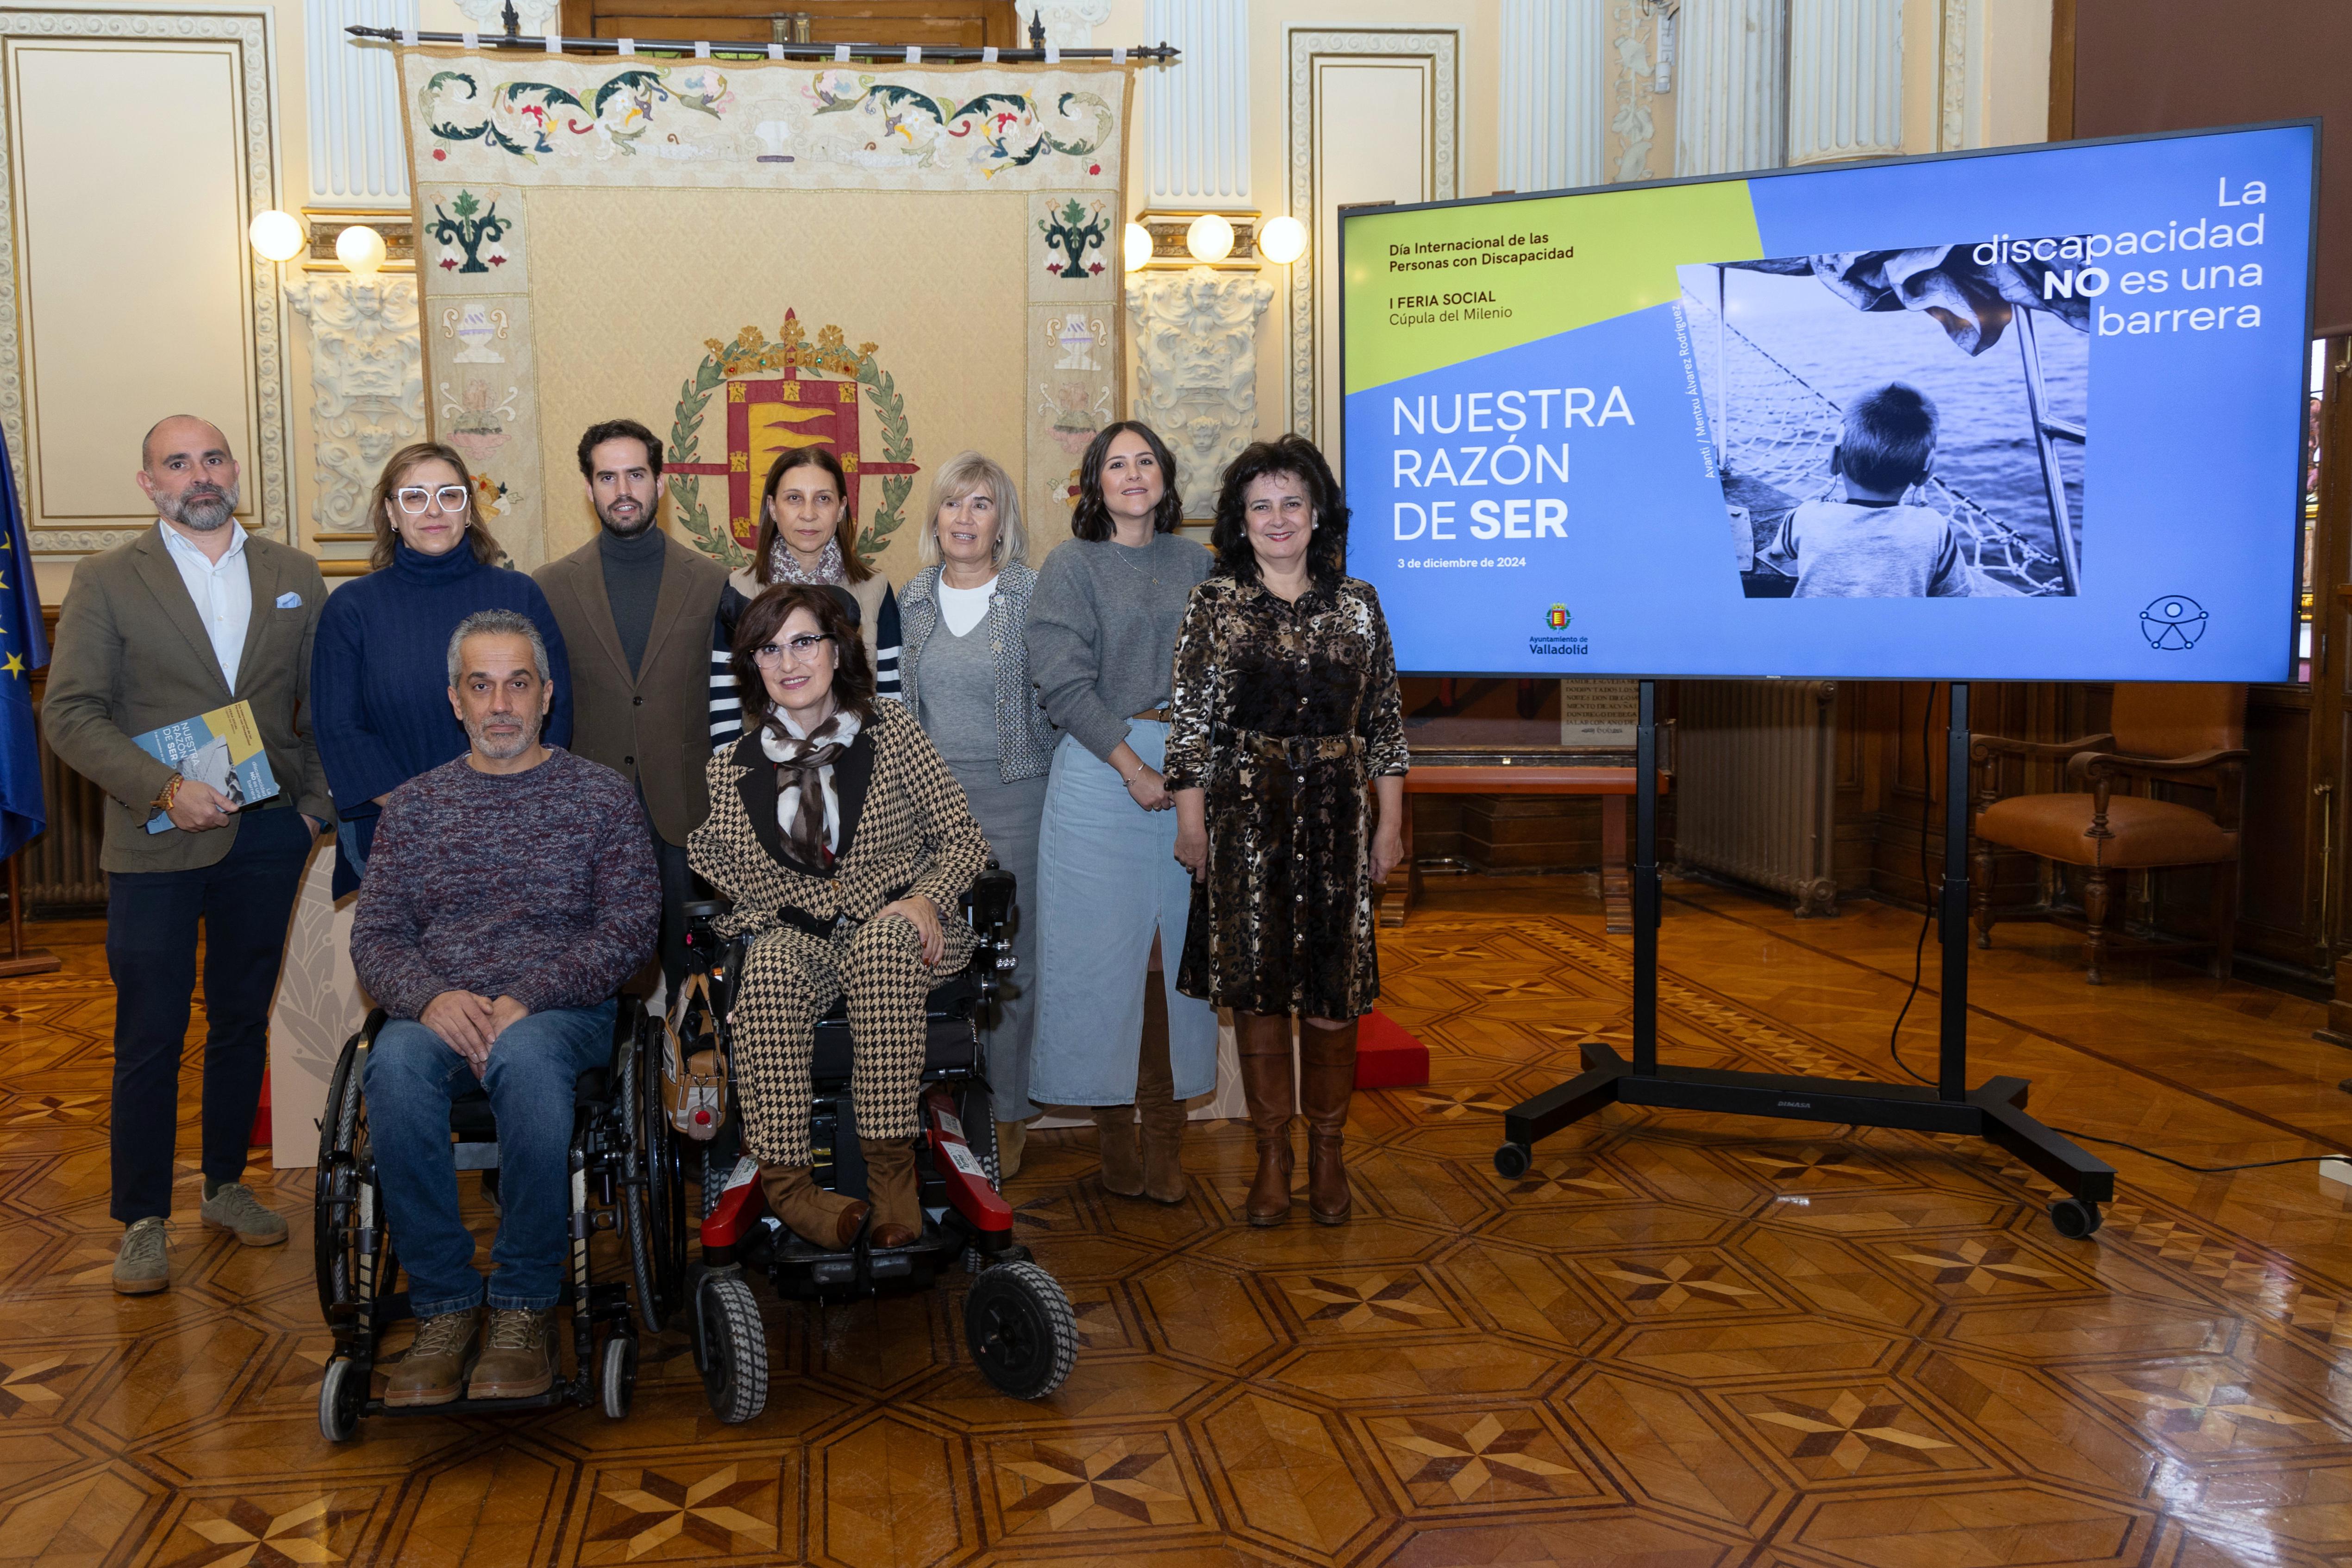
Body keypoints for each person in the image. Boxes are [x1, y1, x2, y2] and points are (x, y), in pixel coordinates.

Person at [43, 415, 332, 1294]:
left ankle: (226, 1184)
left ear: (235, 469)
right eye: (177, 463)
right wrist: (167, 789)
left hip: (267, 834)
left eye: (212, 458)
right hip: (156, 837)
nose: (198, 475)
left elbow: (321, 704)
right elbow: (70, 714)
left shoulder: (294, 573)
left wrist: (315, 810)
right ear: (149, 484)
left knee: (242, 1016)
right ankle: (141, 1218)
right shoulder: (104, 579)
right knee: (150, 1034)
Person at [350, 610, 657, 1406]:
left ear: (546, 694)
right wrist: (432, 996)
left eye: (517, 683)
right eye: (480, 685)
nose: (500, 704)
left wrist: (531, 995)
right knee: (392, 1064)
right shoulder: (414, 809)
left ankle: (523, 1303)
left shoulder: (601, 796)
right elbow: (378, 935)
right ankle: (446, 1307)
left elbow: (630, 928)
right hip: (441, 1012)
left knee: (524, 1058)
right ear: (455, 700)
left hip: (564, 1013)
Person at [690, 585, 987, 1251]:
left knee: (885, 939)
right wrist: (763, 919)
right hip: (801, 938)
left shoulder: (892, 731)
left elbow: (964, 841)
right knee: (765, 968)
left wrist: (926, 897)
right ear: (754, 665)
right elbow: (734, 880)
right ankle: (793, 1191)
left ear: (836, 650)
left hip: (895, 926)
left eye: (805, 641)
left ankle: (892, 1182)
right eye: (770, 647)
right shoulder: (730, 768)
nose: (789, 661)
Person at [1167, 436, 1408, 1227]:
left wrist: (1390, 824)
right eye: (1261, 505)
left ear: (1318, 515)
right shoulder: (1216, 603)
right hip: (1243, 820)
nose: (1278, 519)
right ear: (1241, 519)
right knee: (1261, 989)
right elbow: (1190, 728)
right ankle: (1273, 1155)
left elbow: (1386, 725)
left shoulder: (1360, 602)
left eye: (1292, 503)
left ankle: (1330, 1151)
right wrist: (1192, 825)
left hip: (1341, 818)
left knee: (1336, 988)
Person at [1026, 421, 1219, 1205]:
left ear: (1166, 480)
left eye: (1146, 461)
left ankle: (1167, 1139)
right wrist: (1134, 766)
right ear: (1093, 483)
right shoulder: (1071, 565)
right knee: (1098, 965)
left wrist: (1187, 779)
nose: (1132, 474)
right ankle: (1114, 1140)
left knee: (1177, 965)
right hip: (1100, 773)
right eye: (1116, 463)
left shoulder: (1200, 563)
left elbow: (1219, 677)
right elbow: (1062, 682)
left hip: (1193, 777)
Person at [311, 441, 574, 893]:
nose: (433, 510)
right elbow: (339, 728)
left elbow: (555, 708)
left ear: (468, 511)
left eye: (449, 494)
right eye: (414, 497)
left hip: (513, 829)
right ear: (392, 515)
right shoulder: (352, 608)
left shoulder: (520, 594)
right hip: (401, 834)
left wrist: (503, 807)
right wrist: (426, 817)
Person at [895, 452, 1057, 1176]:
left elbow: (1056, 696)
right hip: (929, 809)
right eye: (953, 504)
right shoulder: (913, 597)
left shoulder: (1031, 592)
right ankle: (947, 1112)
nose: (965, 518)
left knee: (1012, 963)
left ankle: (1011, 1115)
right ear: (935, 517)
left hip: (1017, 796)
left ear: (1003, 520)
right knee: (937, 961)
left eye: (981, 504)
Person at [536, 419, 732, 989]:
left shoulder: (712, 581)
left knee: (698, 982)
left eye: (636, 475)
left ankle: (698, 1080)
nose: (623, 490)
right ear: (589, 488)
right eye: (607, 476)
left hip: (690, 812)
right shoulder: (549, 586)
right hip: (589, 815)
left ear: (661, 483)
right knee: (598, 985)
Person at [710, 446, 901, 750]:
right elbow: (724, 703)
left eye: (823, 499)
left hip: (862, 769)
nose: (809, 514)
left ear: (840, 509)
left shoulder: (875, 589)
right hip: (764, 773)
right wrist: (734, 780)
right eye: (794, 498)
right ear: (773, 508)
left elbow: (893, 701)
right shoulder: (739, 590)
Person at [1758, 382, 2017, 598]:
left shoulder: (1806, 516)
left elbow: (1781, 551)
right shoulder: (1933, 527)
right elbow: (1955, 593)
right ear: (1925, 471)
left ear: (1834, 460)